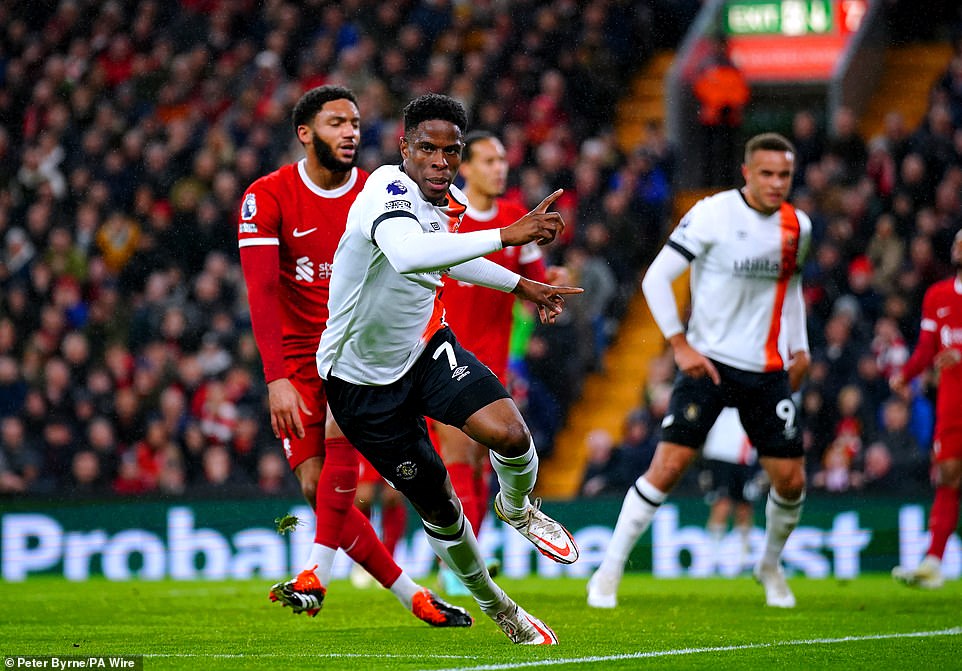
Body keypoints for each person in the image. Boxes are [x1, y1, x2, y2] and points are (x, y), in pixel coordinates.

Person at [316, 93, 582, 645]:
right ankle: (500, 606)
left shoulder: (448, 200)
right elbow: (410, 253)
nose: (441, 161)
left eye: (451, 151)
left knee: (509, 433)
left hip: (425, 350)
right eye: (428, 149)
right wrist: (509, 236)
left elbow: (452, 253)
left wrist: (522, 285)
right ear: (404, 148)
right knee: (441, 506)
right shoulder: (383, 192)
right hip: (360, 384)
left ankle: (517, 507)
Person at [237, 85, 471, 627]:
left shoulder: (377, 191)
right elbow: (261, 294)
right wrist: (276, 378)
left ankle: (329, 576)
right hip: (298, 360)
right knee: (314, 487)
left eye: (356, 123)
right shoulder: (266, 197)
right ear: (305, 133)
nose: (350, 132)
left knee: (386, 479)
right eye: (336, 122)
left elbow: (421, 267)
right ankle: (411, 593)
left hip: (361, 351)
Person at [587, 132, 812, 609]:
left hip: (767, 367)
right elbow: (657, 277)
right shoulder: (712, 213)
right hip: (708, 363)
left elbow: (790, 287)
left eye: (785, 175)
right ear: (747, 173)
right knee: (666, 468)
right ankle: (608, 572)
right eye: (767, 174)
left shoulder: (798, 227)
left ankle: (769, 567)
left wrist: (801, 346)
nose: (776, 183)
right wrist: (679, 344)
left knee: (790, 480)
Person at [432, 130, 549, 594]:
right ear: (466, 167)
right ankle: (458, 566)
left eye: (503, 159)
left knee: (479, 464)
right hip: (442, 357)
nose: (500, 168)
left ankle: (466, 554)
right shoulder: (441, 216)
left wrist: (550, 289)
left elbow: (535, 284)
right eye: (489, 160)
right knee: (458, 458)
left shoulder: (516, 222)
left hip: (493, 364)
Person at [889, 229, 962, 589]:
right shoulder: (938, 295)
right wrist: (905, 375)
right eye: (957, 241)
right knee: (948, 473)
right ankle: (933, 562)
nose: (958, 246)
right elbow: (926, 347)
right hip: (951, 402)